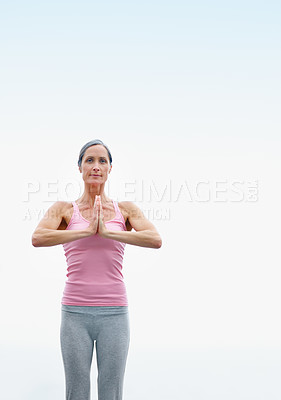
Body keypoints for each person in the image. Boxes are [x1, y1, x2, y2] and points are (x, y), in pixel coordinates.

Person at [31, 139, 162, 400]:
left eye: (102, 161)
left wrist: (108, 233)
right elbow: (38, 238)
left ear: (110, 168)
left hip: (114, 313)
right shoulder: (64, 210)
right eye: (89, 160)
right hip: (74, 313)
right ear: (79, 167)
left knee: (111, 392)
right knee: (77, 392)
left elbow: (155, 239)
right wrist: (87, 230)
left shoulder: (125, 210)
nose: (96, 166)